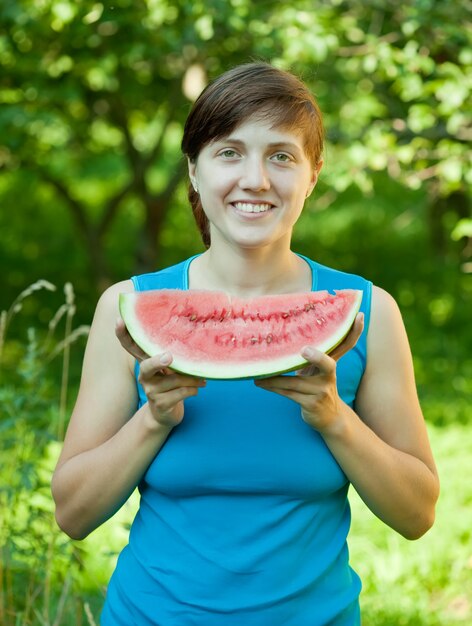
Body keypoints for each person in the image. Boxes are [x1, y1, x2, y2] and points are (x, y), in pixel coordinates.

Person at [51, 62, 440, 626]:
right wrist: (153, 419)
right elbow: (73, 514)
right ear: (194, 170)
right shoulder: (128, 309)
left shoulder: (367, 312)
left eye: (281, 155)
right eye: (229, 152)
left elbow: (417, 513)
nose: (255, 178)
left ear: (313, 174)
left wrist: (334, 417)